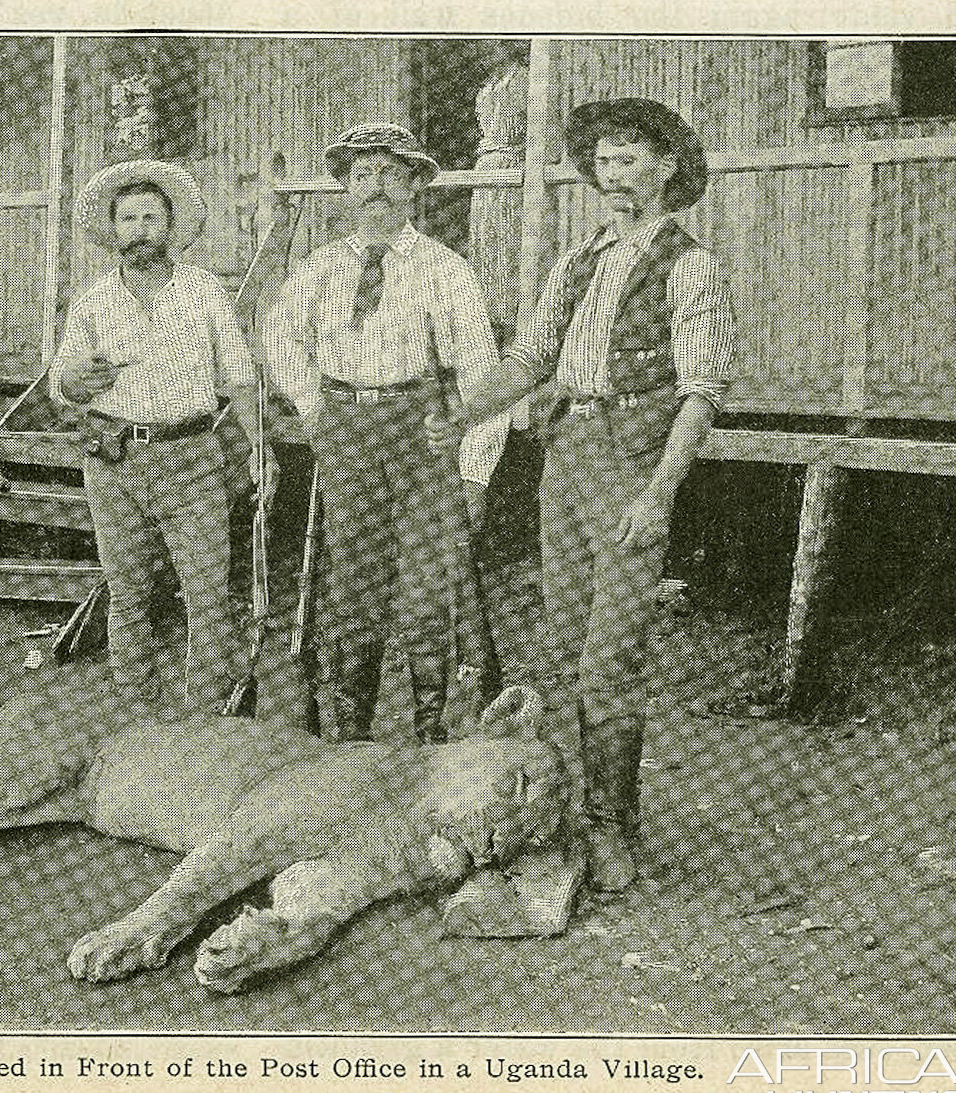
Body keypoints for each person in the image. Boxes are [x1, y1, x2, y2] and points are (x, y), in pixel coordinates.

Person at [428, 98, 735, 890]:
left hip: (632, 463)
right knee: (564, 646)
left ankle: (611, 827)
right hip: (564, 459)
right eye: (602, 162)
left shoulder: (689, 266)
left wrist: (660, 493)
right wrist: (462, 415)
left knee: (611, 655)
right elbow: (531, 356)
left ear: (667, 166)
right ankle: (562, 807)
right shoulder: (575, 261)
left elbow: (700, 392)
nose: (613, 175)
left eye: (628, 159)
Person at [263, 122, 509, 745]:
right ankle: (351, 739)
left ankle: (429, 736)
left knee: (430, 589)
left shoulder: (444, 269)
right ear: (344, 188)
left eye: (393, 177)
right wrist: (313, 404)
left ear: (415, 190)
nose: (377, 190)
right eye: (364, 176)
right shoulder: (319, 267)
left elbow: (483, 373)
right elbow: (280, 338)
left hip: (423, 429)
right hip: (347, 429)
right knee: (352, 582)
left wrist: (476, 469)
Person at [53, 160, 274, 715]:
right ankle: (136, 726)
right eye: (127, 219)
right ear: (112, 230)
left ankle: (205, 726)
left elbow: (241, 376)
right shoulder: (93, 304)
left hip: (191, 458)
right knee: (128, 598)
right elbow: (61, 390)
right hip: (114, 462)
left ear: (170, 226)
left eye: (151, 217)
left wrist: (258, 446)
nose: (139, 229)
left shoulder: (204, 294)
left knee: (206, 598)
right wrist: (78, 383)